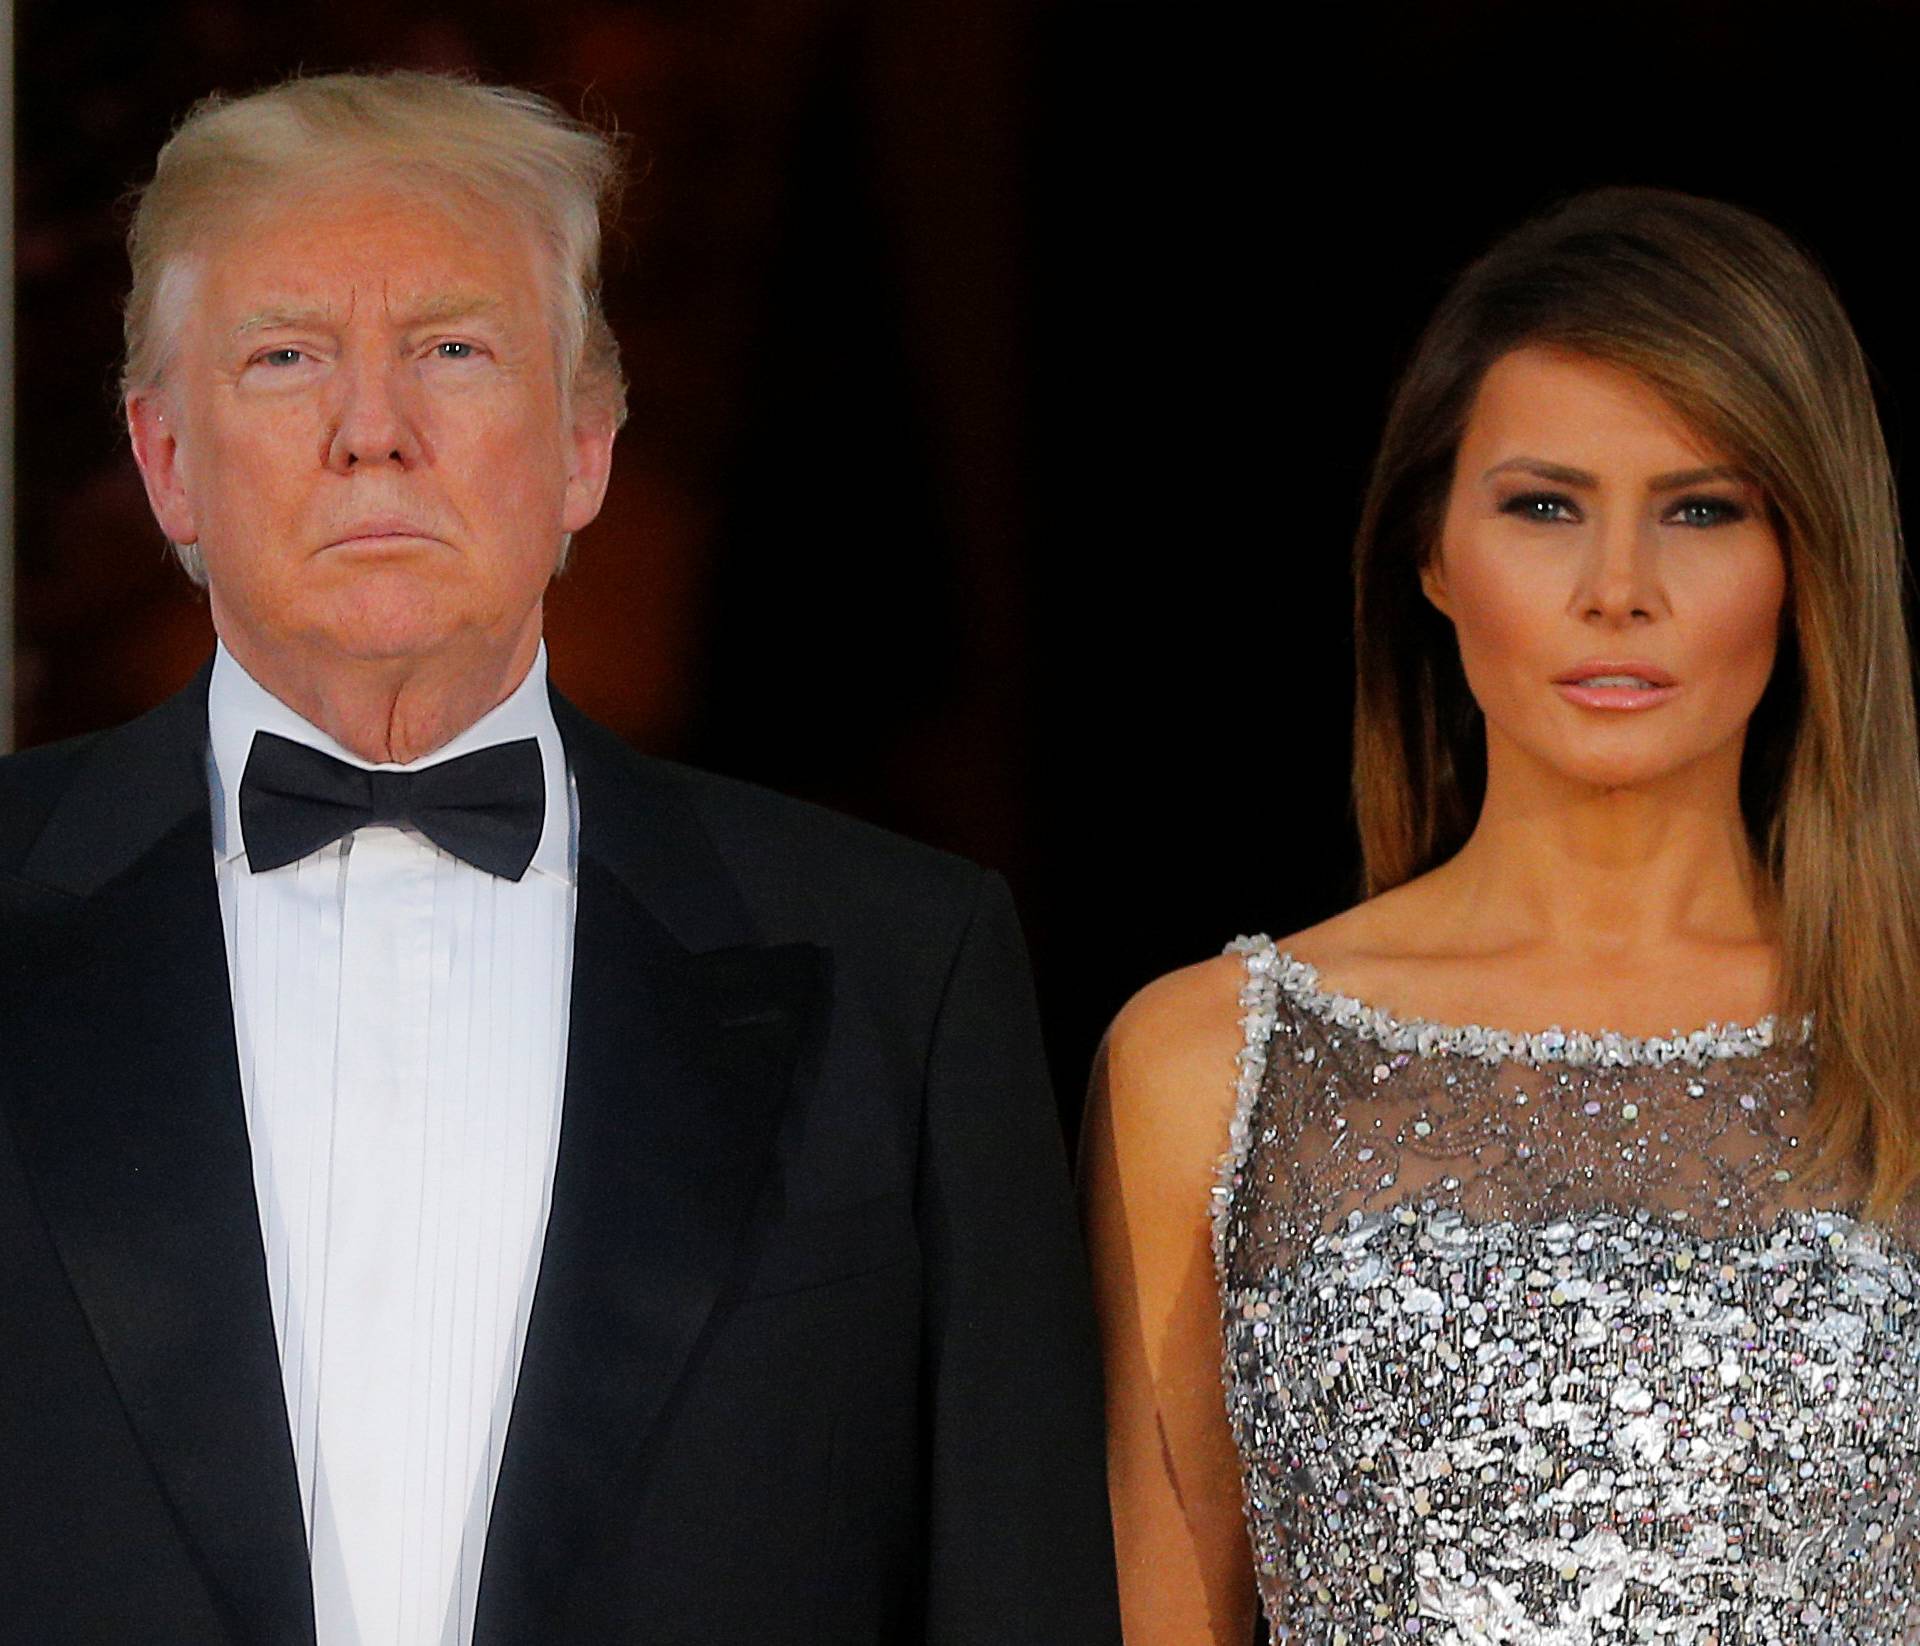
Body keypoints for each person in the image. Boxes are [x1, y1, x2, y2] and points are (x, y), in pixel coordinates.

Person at [0, 71, 1120, 1646]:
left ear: (586, 443)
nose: (371, 431)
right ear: (166, 458)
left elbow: (1014, 1586)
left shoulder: (903, 970)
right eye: (285, 357)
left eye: (453, 350)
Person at [1082, 186, 1920, 1642]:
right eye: (1545, 506)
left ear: (1806, 563)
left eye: (1702, 509)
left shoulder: (1906, 1031)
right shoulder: (1209, 1062)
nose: (1618, 590)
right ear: (1430, 552)